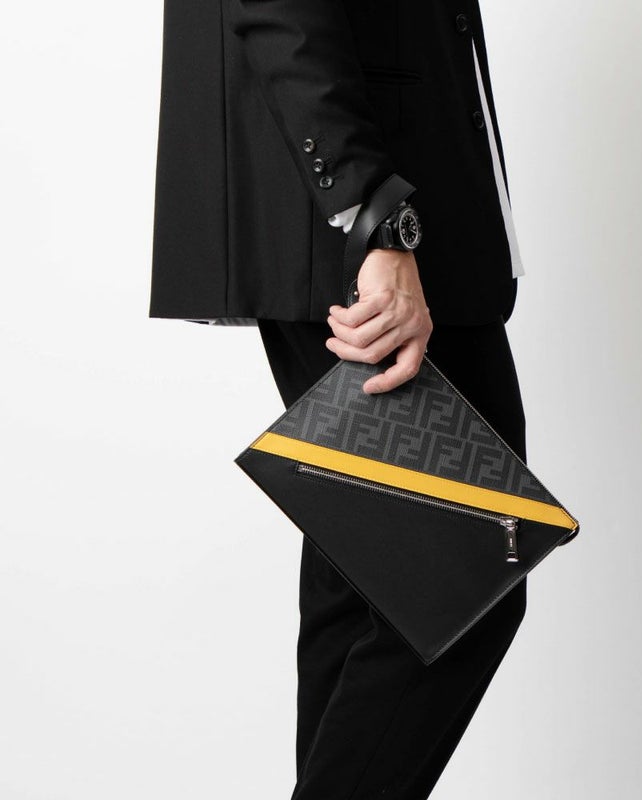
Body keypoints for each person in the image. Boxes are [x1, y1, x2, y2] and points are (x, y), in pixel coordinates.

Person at [149, 2, 530, 797]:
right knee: (467, 577)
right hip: (353, 221)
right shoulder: (370, 224)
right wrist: (374, 218)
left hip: (377, 201)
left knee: (365, 593)